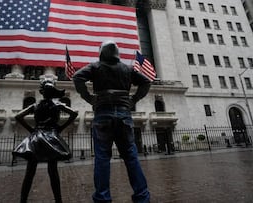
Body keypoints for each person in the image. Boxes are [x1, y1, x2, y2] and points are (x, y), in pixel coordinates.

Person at [73, 41, 151, 203]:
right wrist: (134, 99)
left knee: (102, 158)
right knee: (131, 157)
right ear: (117, 54)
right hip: (124, 114)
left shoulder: (96, 67)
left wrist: (89, 98)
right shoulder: (127, 69)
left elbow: (77, 76)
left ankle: (102, 198)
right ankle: (142, 197)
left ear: (101, 53)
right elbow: (146, 81)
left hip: (102, 114)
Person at [13, 78, 78, 203]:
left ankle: (23, 200)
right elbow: (74, 114)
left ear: (42, 92)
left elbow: (18, 116)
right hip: (51, 137)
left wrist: (31, 130)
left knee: (30, 172)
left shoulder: (35, 105)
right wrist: (60, 128)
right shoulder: (57, 104)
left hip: (37, 137)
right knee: (52, 171)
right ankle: (58, 200)